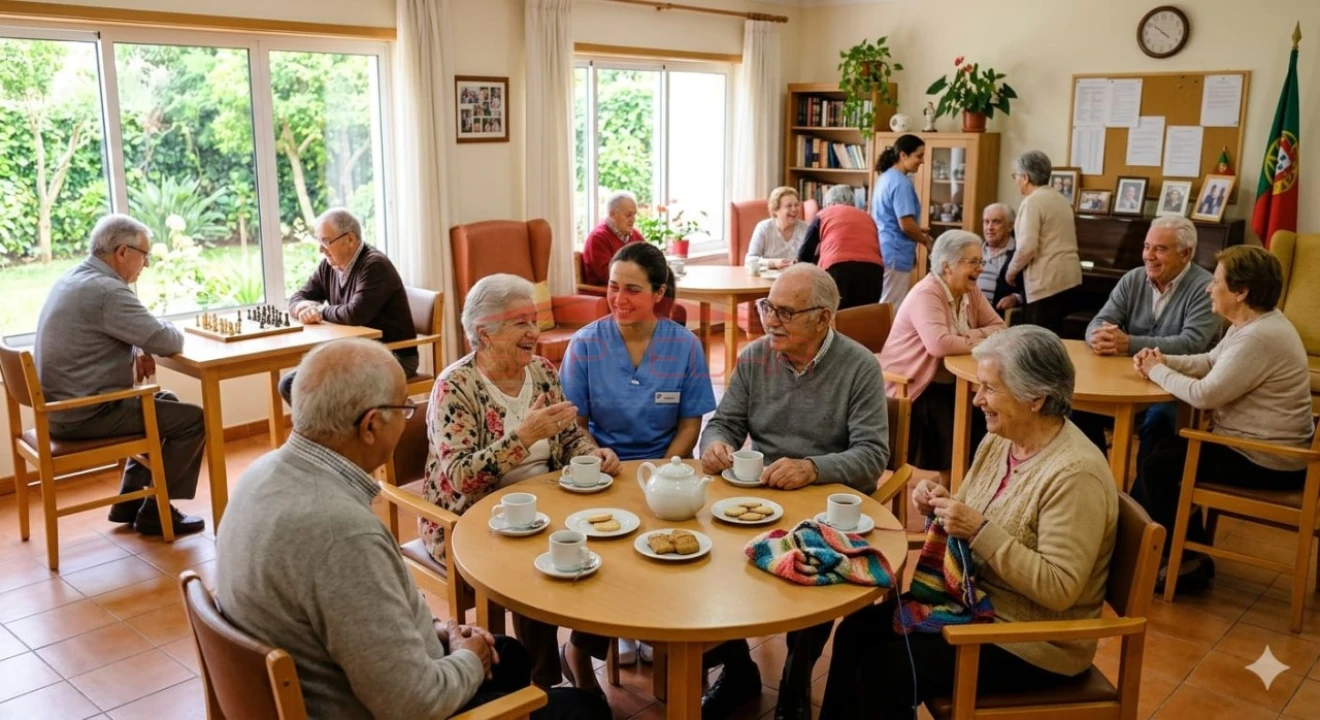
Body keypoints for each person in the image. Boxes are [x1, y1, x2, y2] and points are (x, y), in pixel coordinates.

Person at [215, 338, 610, 720]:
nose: (407, 423)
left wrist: (437, 630)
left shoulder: (259, 474)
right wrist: (468, 659)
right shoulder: (342, 533)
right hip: (375, 706)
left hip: (334, 677)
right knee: (586, 710)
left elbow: (360, 616)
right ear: (370, 426)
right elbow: (415, 705)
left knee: (509, 655)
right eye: (404, 411)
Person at [820, 325, 1118, 719]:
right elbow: (978, 511)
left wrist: (977, 529)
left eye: (990, 389)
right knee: (855, 633)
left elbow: (1059, 588)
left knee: (886, 672)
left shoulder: (1075, 475)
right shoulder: (1001, 439)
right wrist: (941, 505)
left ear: (1036, 399)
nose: (977, 399)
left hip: (1035, 641)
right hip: (973, 604)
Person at [697, 264, 890, 720]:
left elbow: (872, 455)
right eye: (768, 307)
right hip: (761, 495)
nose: (771, 320)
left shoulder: (860, 366)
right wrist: (715, 444)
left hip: (826, 503)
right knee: (706, 554)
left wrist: (812, 468)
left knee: (811, 562)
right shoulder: (754, 357)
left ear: (823, 318)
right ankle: (739, 668)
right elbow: (724, 422)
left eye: (786, 312)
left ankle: (795, 677)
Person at [422, 273, 619, 690]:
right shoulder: (454, 387)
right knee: (535, 564)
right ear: (485, 334)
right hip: (472, 519)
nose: (535, 331)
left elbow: (569, 435)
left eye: (534, 320)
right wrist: (524, 437)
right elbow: (461, 477)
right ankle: (542, 685)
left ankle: (580, 649)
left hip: (550, 501)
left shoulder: (543, 371)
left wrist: (593, 455)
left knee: (611, 541)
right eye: (521, 323)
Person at [560, 241, 715, 677]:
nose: (619, 299)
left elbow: (690, 424)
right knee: (605, 546)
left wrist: (663, 472)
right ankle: (599, 636)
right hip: (603, 471)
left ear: (659, 293)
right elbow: (574, 423)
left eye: (632, 289)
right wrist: (596, 454)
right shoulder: (585, 344)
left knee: (674, 546)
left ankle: (661, 624)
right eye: (613, 287)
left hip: (667, 468)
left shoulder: (684, 346)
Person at [1132, 245, 1314, 586]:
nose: (1208, 288)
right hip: (1256, 449)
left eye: (1216, 281)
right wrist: (1164, 360)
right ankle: (1181, 552)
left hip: (1269, 461)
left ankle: (1184, 561)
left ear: (1241, 291)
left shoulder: (1258, 337)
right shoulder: (1252, 322)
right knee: (1162, 448)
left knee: (1159, 463)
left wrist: (1156, 370)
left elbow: (1204, 395)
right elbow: (1210, 362)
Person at [34, 214, 206, 536]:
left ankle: (130, 502)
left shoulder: (75, 277)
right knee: (193, 420)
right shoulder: (108, 291)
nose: (147, 264)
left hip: (59, 409)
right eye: (145, 255)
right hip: (83, 414)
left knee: (166, 402)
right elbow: (168, 340)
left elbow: (120, 330)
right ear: (123, 252)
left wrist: (138, 347)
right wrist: (153, 336)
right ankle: (155, 512)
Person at [1075, 216, 1220, 458]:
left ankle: (1143, 484)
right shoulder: (1132, 279)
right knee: (1078, 408)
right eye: (1146, 246)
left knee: (1158, 421)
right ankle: (1098, 476)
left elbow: (1191, 344)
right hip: (1128, 379)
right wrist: (1098, 336)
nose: (1148, 256)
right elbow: (1098, 321)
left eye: (1160, 249)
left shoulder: (1205, 287)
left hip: (1177, 387)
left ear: (1185, 254)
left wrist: (1128, 343)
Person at [881, 231, 1005, 478]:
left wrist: (966, 336)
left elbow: (1000, 327)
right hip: (914, 386)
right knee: (957, 422)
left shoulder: (969, 291)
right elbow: (939, 345)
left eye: (981, 261)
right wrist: (979, 337)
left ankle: (965, 483)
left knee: (993, 406)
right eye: (973, 262)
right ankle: (950, 487)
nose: (980, 268)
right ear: (947, 266)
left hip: (950, 380)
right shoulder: (927, 293)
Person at [283, 208, 417, 403]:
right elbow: (299, 296)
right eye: (319, 242)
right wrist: (301, 307)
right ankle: (331, 425)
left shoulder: (375, 266)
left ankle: (344, 424)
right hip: (354, 356)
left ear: (350, 239)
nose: (321, 249)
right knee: (291, 384)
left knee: (328, 390)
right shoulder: (328, 266)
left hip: (392, 357)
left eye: (326, 241)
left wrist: (319, 311)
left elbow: (355, 314)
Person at [1005, 151, 1082, 334]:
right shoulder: (1061, 199)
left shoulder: (1032, 201)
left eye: (1016, 176)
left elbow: (1027, 247)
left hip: (1046, 283)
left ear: (1025, 177)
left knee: (1037, 340)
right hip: (1070, 279)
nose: (1016, 181)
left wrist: (1011, 271)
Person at [797, 184, 885, 310]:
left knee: (835, 314)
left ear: (830, 203)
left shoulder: (824, 213)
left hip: (838, 268)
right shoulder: (868, 217)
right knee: (866, 316)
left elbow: (804, 254)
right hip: (874, 270)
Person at [872, 134, 933, 309]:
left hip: (884, 249)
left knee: (886, 304)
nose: (922, 161)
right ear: (903, 155)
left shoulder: (886, 177)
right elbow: (905, 224)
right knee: (892, 308)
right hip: (895, 252)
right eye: (919, 156)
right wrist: (926, 241)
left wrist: (918, 230)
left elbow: (892, 218)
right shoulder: (901, 183)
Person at [581, 191, 644, 286]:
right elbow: (609, 275)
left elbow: (650, 260)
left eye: (634, 215)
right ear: (612, 214)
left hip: (632, 288)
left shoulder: (635, 234)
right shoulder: (598, 237)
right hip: (605, 292)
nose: (633, 219)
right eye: (628, 215)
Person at [977, 203, 1023, 315]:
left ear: (1010, 226)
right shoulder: (974, 250)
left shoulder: (1020, 254)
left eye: (996, 222)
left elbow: (1030, 291)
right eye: (986, 222)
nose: (989, 227)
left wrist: (1016, 298)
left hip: (997, 317)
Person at [746, 186, 808, 263]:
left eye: (796, 205)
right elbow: (751, 259)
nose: (794, 209)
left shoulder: (806, 229)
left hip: (797, 270)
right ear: (775, 210)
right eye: (789, 206)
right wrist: (773, 263)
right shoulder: (763, 228)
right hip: (769, 270)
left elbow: (813, 260)